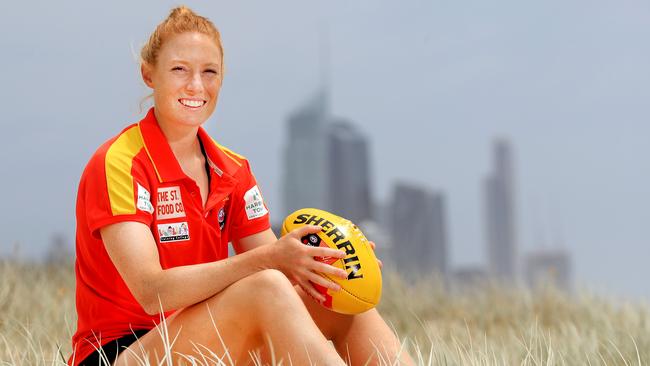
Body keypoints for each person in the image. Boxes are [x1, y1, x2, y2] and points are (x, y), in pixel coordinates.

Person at [69, 6, 414, 366]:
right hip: (120, 354)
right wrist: (268, 260)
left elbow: (284, 271)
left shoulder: (232, 169)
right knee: (264, 286)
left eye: (209, 72)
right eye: (179, 69)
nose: (196, 85)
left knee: (339, 296)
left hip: (207, 340)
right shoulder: (118, 161)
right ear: (148, 74)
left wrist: (332, 264)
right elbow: (152, 292)